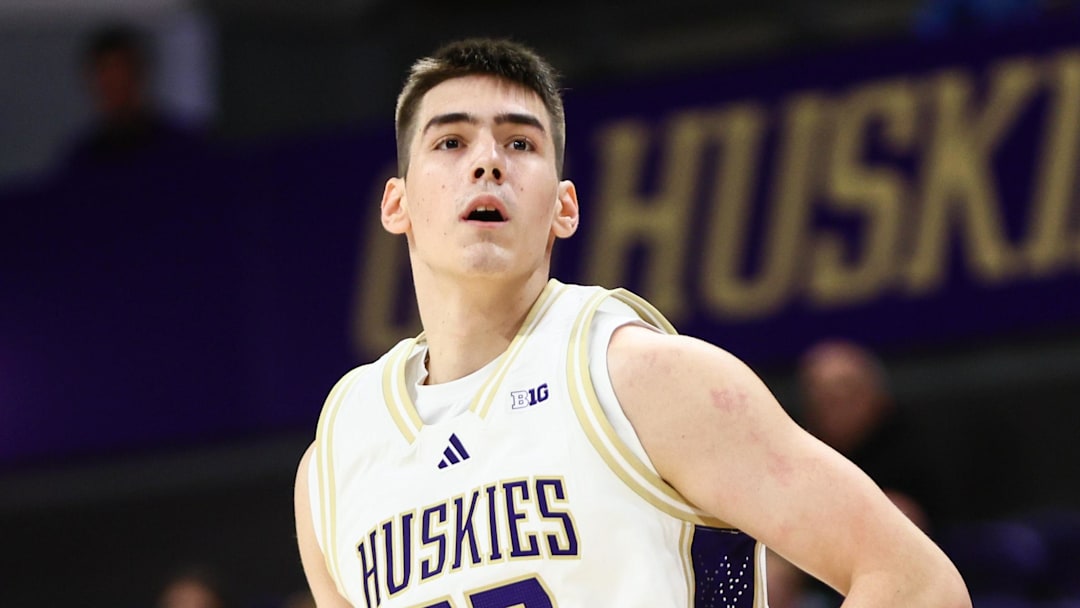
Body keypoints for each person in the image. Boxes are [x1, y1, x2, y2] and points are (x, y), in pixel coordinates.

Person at [293, 38, 971, 608]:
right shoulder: (336, 461)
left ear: (564, 208)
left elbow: (918, 585)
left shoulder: (642, 377)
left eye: (520, 142)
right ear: (397, 204)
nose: (487, 160)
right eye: (450, 140)